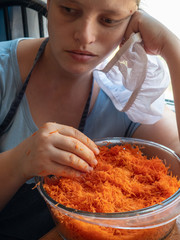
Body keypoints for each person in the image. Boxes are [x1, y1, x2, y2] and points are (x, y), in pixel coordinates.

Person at [0, 0, 180, 239]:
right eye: (69, 10)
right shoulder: (4, 71)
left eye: (108, 20)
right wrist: (20, 161)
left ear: (130, 22)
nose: (85, 36)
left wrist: (170, 48)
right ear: (50, 3)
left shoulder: (128, 93)